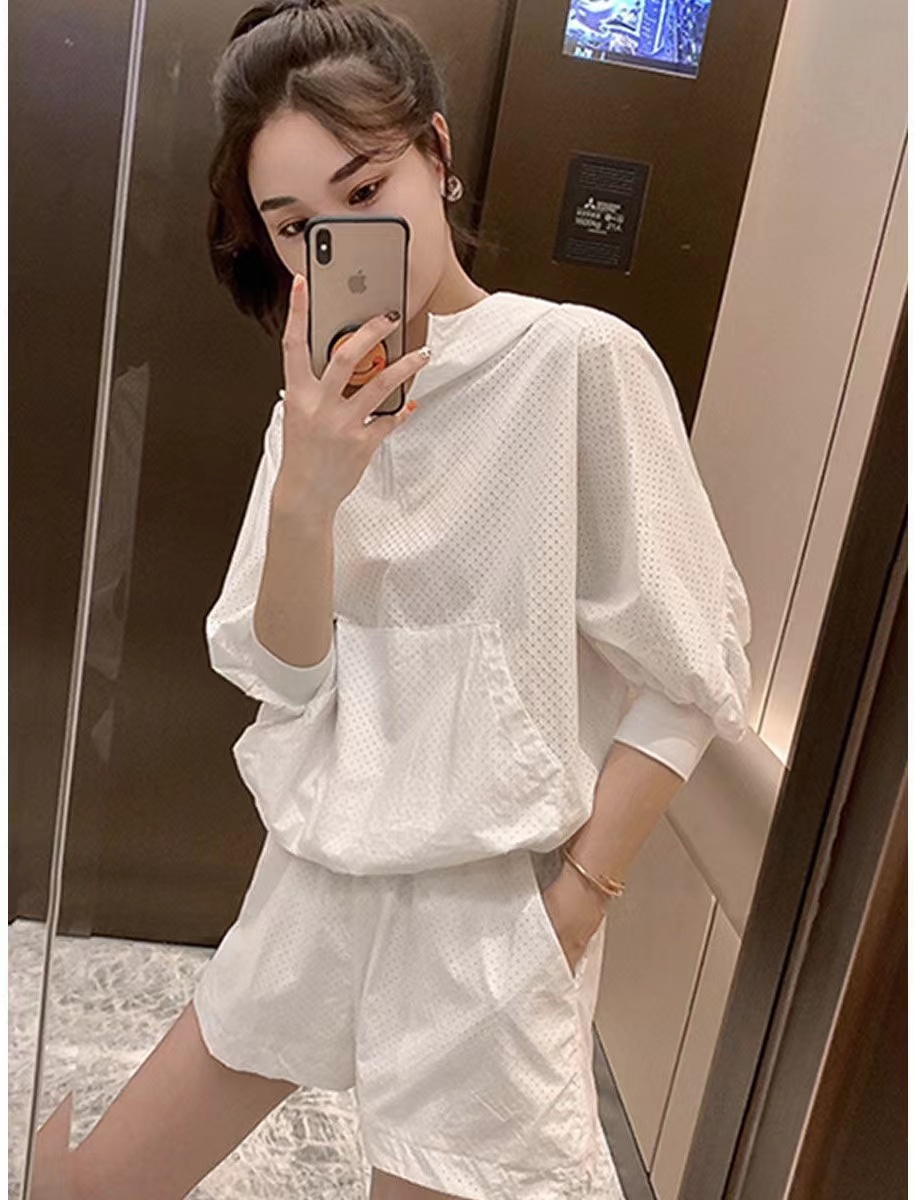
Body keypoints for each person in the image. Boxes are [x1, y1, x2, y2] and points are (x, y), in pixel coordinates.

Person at [33, 1, 753, 1197]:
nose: (337, 239)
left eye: (365, 187)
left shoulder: (576, 362)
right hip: (319, 874)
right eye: (295, 225)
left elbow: (693, 664)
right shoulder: (314, 410)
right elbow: (286, 675)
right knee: (87, 1187)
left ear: (437, 151)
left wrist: (575, 907)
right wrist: (309, 494)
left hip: (490, 918)